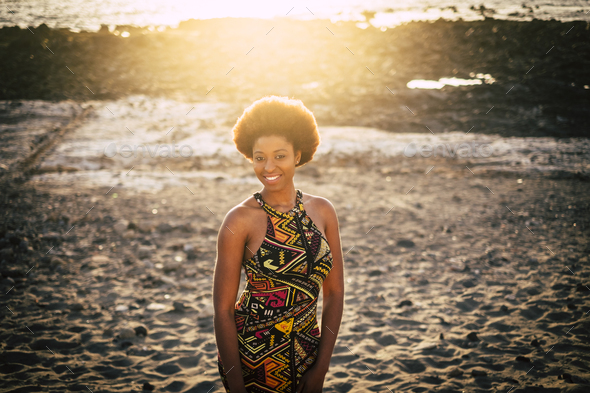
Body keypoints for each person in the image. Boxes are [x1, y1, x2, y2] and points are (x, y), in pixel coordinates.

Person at [213, 95, 345, 393]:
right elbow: (222, 310)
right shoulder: (240, 220)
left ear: (298, 155)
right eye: (260, 157)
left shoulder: (323, 211)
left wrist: (321, 367)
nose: (268, 167)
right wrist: (236, 386)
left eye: (280, 155)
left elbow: (335, 292)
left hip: (308, 355)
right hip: (252, 361)